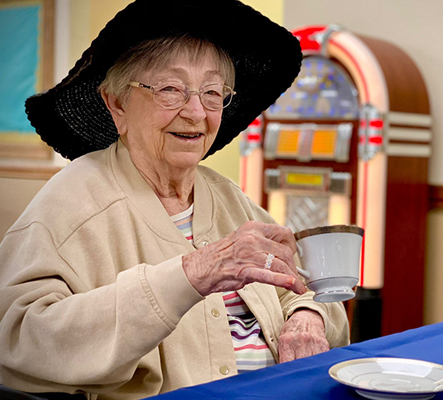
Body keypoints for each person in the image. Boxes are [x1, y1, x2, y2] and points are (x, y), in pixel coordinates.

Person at [0, 0, 350, 399]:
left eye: (213, 92)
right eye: (170, 89)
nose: (197, 112)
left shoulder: (228, 198)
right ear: (117, 104)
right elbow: (17, 343)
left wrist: (308, 316)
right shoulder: (72, 202)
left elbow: (314, 294)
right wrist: (194, 273)